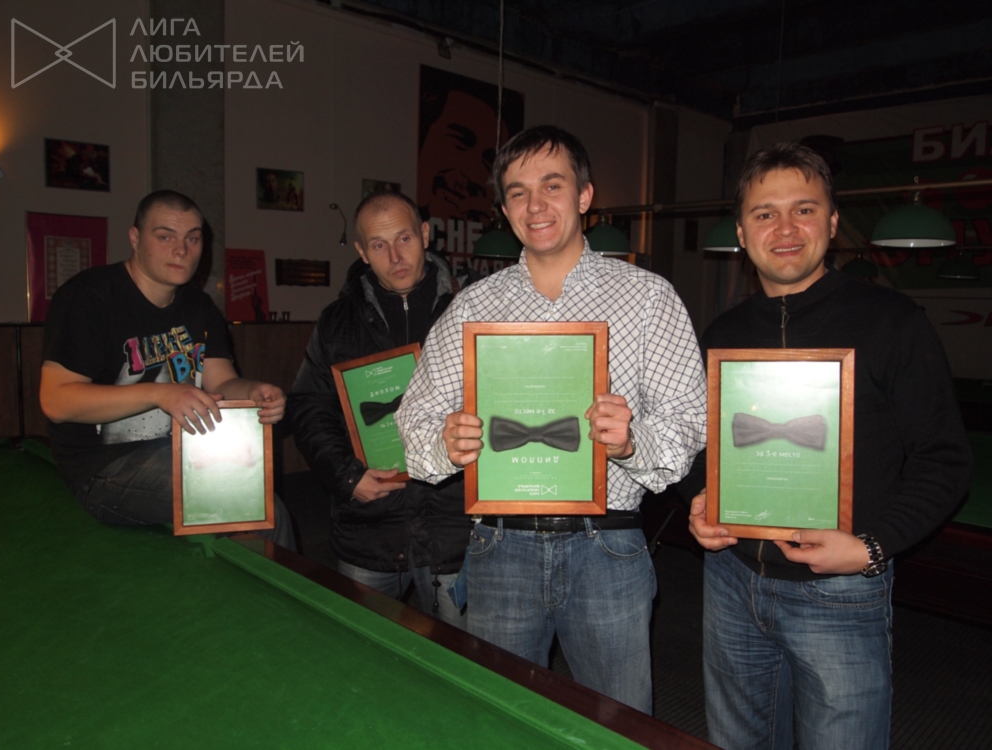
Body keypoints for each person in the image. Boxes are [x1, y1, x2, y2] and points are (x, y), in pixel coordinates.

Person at [395, 125, 708, 713]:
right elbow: (413, 426)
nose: (535, 205)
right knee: (500, 718)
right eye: (517, 192)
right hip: (499, 547)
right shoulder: (473, 307)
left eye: (552, 185)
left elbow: (690, 422)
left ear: (585, 196)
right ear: (504, 208)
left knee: (618, 724)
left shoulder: (648, 298)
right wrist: (446, 443)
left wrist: (632, 441)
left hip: (608, 546)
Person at [686, 143, 972, 749]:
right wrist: (700, 498)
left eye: (804, 209)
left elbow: (944, 461)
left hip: (841, 590)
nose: (785, 229)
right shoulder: (722, 334)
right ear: (741, 232)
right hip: (732, 581)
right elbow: (702, 449)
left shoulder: (893, 321)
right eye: (765, 214)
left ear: (833, 222)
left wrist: (872, 547)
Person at [40, 189, 295, 549]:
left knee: (255, 492)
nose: (181, 250)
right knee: (257, 503)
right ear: (135, 238)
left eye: (193, 238)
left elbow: (223, 381)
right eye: (165, 237)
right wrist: (160, 394)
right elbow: (56, 401)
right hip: (101, 468)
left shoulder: (198, 305)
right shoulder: (88, 296)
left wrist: (254, 391)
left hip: (184, 450)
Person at [289, 191, 470, 627]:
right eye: (378, 245)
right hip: (369, 525)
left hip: (452, 524)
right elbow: (310, 408)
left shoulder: (469, 311)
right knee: (364, 649)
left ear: (424, 234)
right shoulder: (336, 322)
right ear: (361, 251)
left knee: (463, 655)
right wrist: (346, 478)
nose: (395, 256)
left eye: (404, 238)